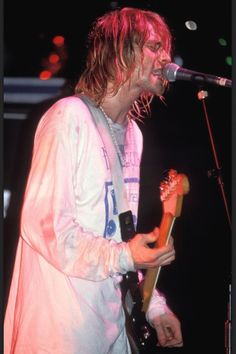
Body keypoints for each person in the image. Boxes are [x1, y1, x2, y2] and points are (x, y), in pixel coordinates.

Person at [4, 7, 183, 354]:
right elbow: (45, 228)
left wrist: (155, 304)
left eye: (166, 48)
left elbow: (118, 239)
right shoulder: (68, 118)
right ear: (118, 52)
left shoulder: (133, 135)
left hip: (110, 329)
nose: (166, 58)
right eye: (153, 46)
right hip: (61, 332)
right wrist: (125, 258)